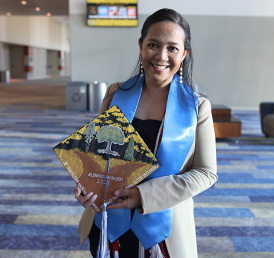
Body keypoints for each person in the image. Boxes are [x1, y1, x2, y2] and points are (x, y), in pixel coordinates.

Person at [74, 8, 217, 258]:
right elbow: (97, 157)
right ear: (141, 46)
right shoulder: (115, 94)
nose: (161, 56)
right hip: (108, 222)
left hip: (163, 230)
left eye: (172, 48)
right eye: (153, 44)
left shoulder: (197, 107)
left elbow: (206, 173)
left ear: (184, 54)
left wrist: (144, 195)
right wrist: (85, 186)